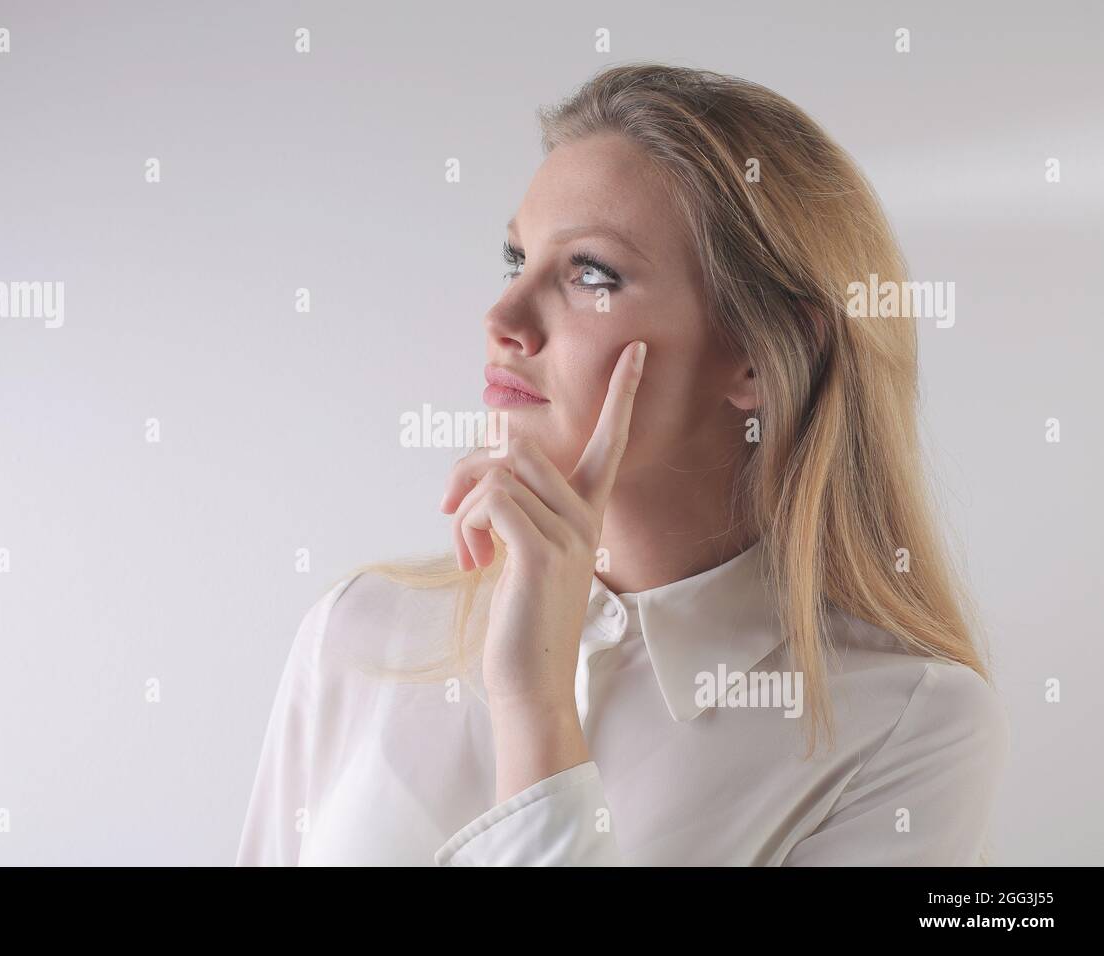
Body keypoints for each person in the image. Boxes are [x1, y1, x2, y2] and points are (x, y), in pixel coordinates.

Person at [236, 63, 1009, 866]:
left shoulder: (909, 727)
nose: (502, 318)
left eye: (590, 275)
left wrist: (534, 713)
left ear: (757, 359)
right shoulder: (361, 631)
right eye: (516, 261)